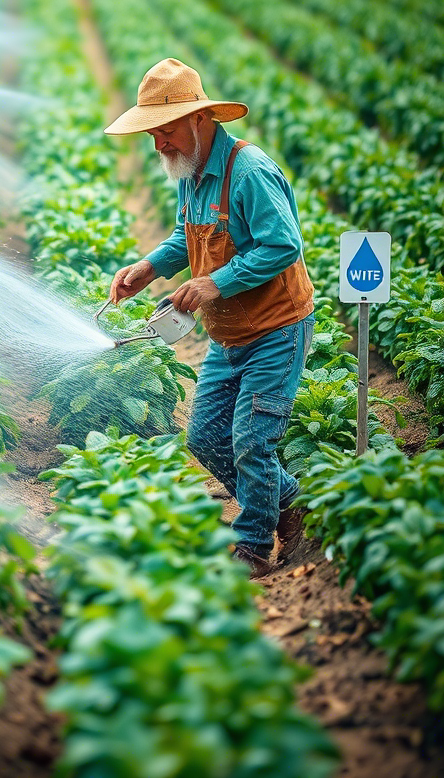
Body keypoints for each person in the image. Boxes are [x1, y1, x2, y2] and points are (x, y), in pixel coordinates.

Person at [105, 58, 314, 578]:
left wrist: (214, 282)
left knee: (251, 439)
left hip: (276, 330)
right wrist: (149, 268)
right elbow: (187, 237)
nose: (159, 145)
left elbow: (283, 244)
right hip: (228, 334)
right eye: (153, 134)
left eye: (167, 131)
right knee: (204, 437)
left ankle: (250, 546)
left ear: (200, 119)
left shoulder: (249, 172)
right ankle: (291, 505)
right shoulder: (191, 173)